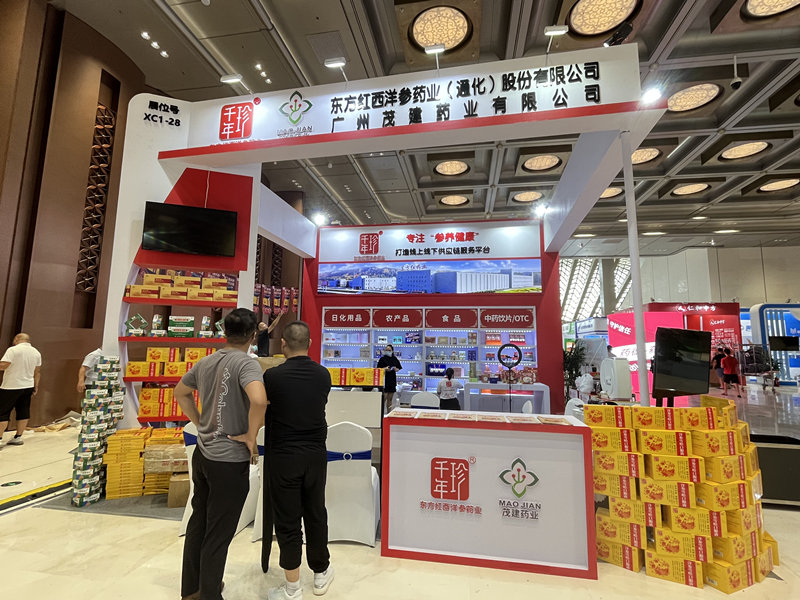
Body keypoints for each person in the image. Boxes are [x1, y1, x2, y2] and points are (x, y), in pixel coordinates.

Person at [174, 308, 268, 600]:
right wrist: (251, 436)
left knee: (199, 522)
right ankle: (210, 594)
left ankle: (192, 589)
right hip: (228, 460)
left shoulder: (206, 361)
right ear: (253, 336)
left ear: (224, 332)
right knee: (219, 532)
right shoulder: (247, 363)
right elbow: (259, 400)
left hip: (203, 455)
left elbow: (180, 392)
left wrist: (199, 422)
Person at [263, 320, 334, 600]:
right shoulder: (323, 375)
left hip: (283, 457)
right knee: (316, 512)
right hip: (315, 455)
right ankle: (321, 573)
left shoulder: (272, 377)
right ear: (310, 344)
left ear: (283, 344)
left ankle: (292, 587)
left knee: (287, 519)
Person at [0, 333, 42, 447]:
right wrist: (36, 386)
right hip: (28, 386)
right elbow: (37, 371)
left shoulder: (13, 350)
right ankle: (18, 437)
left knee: (2, 412)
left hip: (11, 386)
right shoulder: (36, 352)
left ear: (17, 339)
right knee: (23, 411)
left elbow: (4, 365)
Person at [376, 344, 402, 413]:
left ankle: (388, 412)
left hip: (392, 379)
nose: (388, 351)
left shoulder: (395, 359)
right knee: (384, 398)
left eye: (389, 350)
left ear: (392, 351)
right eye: (386, 350)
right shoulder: (382, 359)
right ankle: (381, 413)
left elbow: (398, 368)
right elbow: (378, 369)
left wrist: (395, 369)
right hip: (384, 379)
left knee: (390, 399)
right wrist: (385, 368)